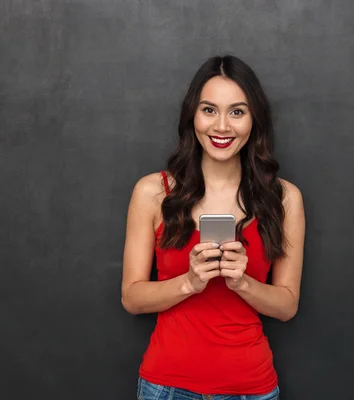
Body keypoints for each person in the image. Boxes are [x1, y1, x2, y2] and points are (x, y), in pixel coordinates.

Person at [121, 55, 305, 400]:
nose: (222, 126)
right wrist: (190, 282)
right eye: (209, 110)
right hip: (167, 387)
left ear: (254, 121)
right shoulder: (153, 192)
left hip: (251, 388)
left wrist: (242, 282)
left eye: (237, 111)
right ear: (193, 116)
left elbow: (287, 306)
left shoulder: (284, 199)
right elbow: (132, 298)